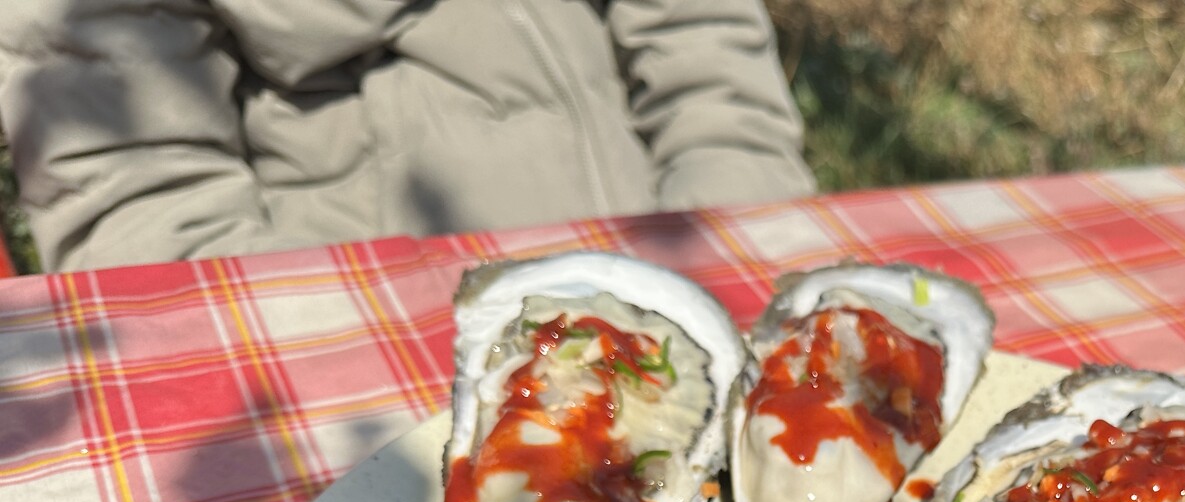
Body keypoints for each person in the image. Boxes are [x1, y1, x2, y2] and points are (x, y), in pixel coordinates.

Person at [0, 0, 816, 272]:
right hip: (390, 391)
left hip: (662, 265)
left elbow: (705, 47)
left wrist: (730, 240)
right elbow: (142, 208)